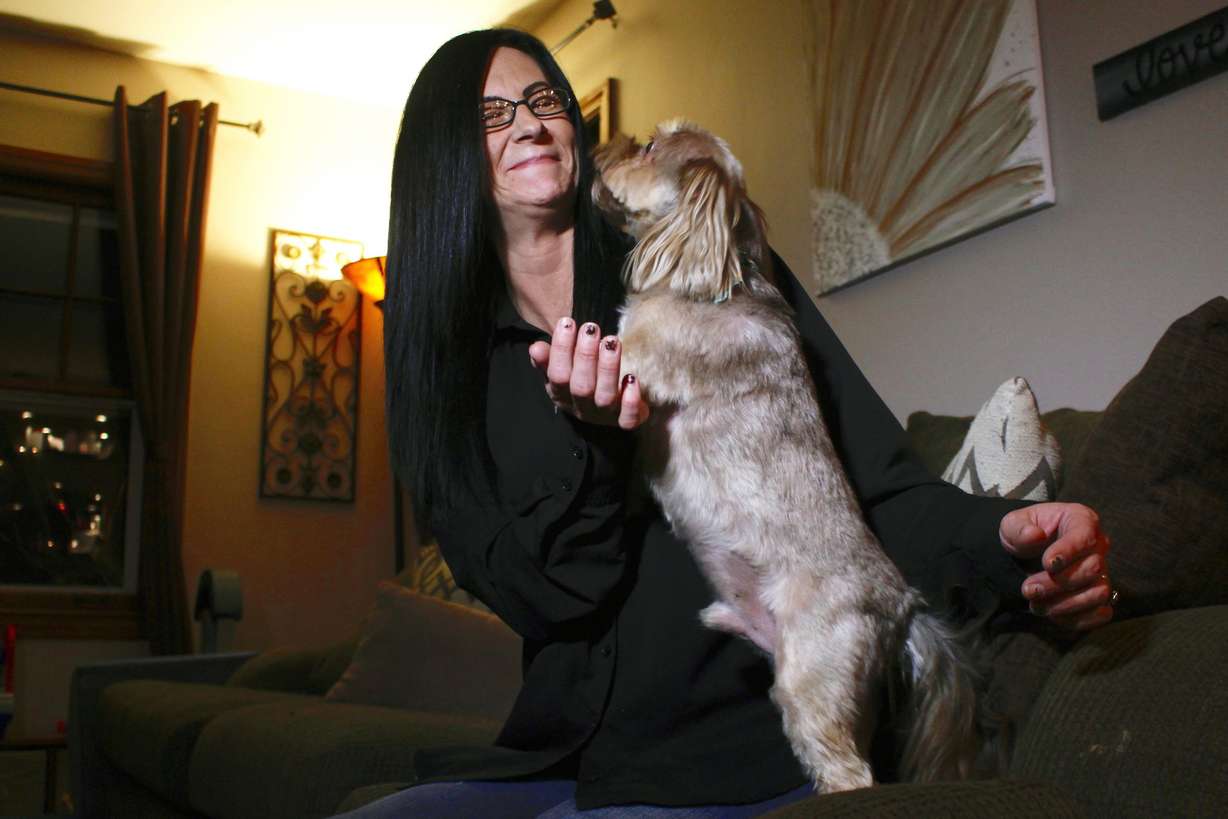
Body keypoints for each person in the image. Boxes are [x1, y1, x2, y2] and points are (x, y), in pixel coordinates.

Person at [337, 28, 1115, 819]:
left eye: (543, 101)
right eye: (491, 114)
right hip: (569, 751)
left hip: (740, 750)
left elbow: (867, 492)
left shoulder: (711, 255)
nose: (531, 124)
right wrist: (595, 442)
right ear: (442, 157)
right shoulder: (450, 369)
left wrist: (1006, 539)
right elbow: (538, 598)